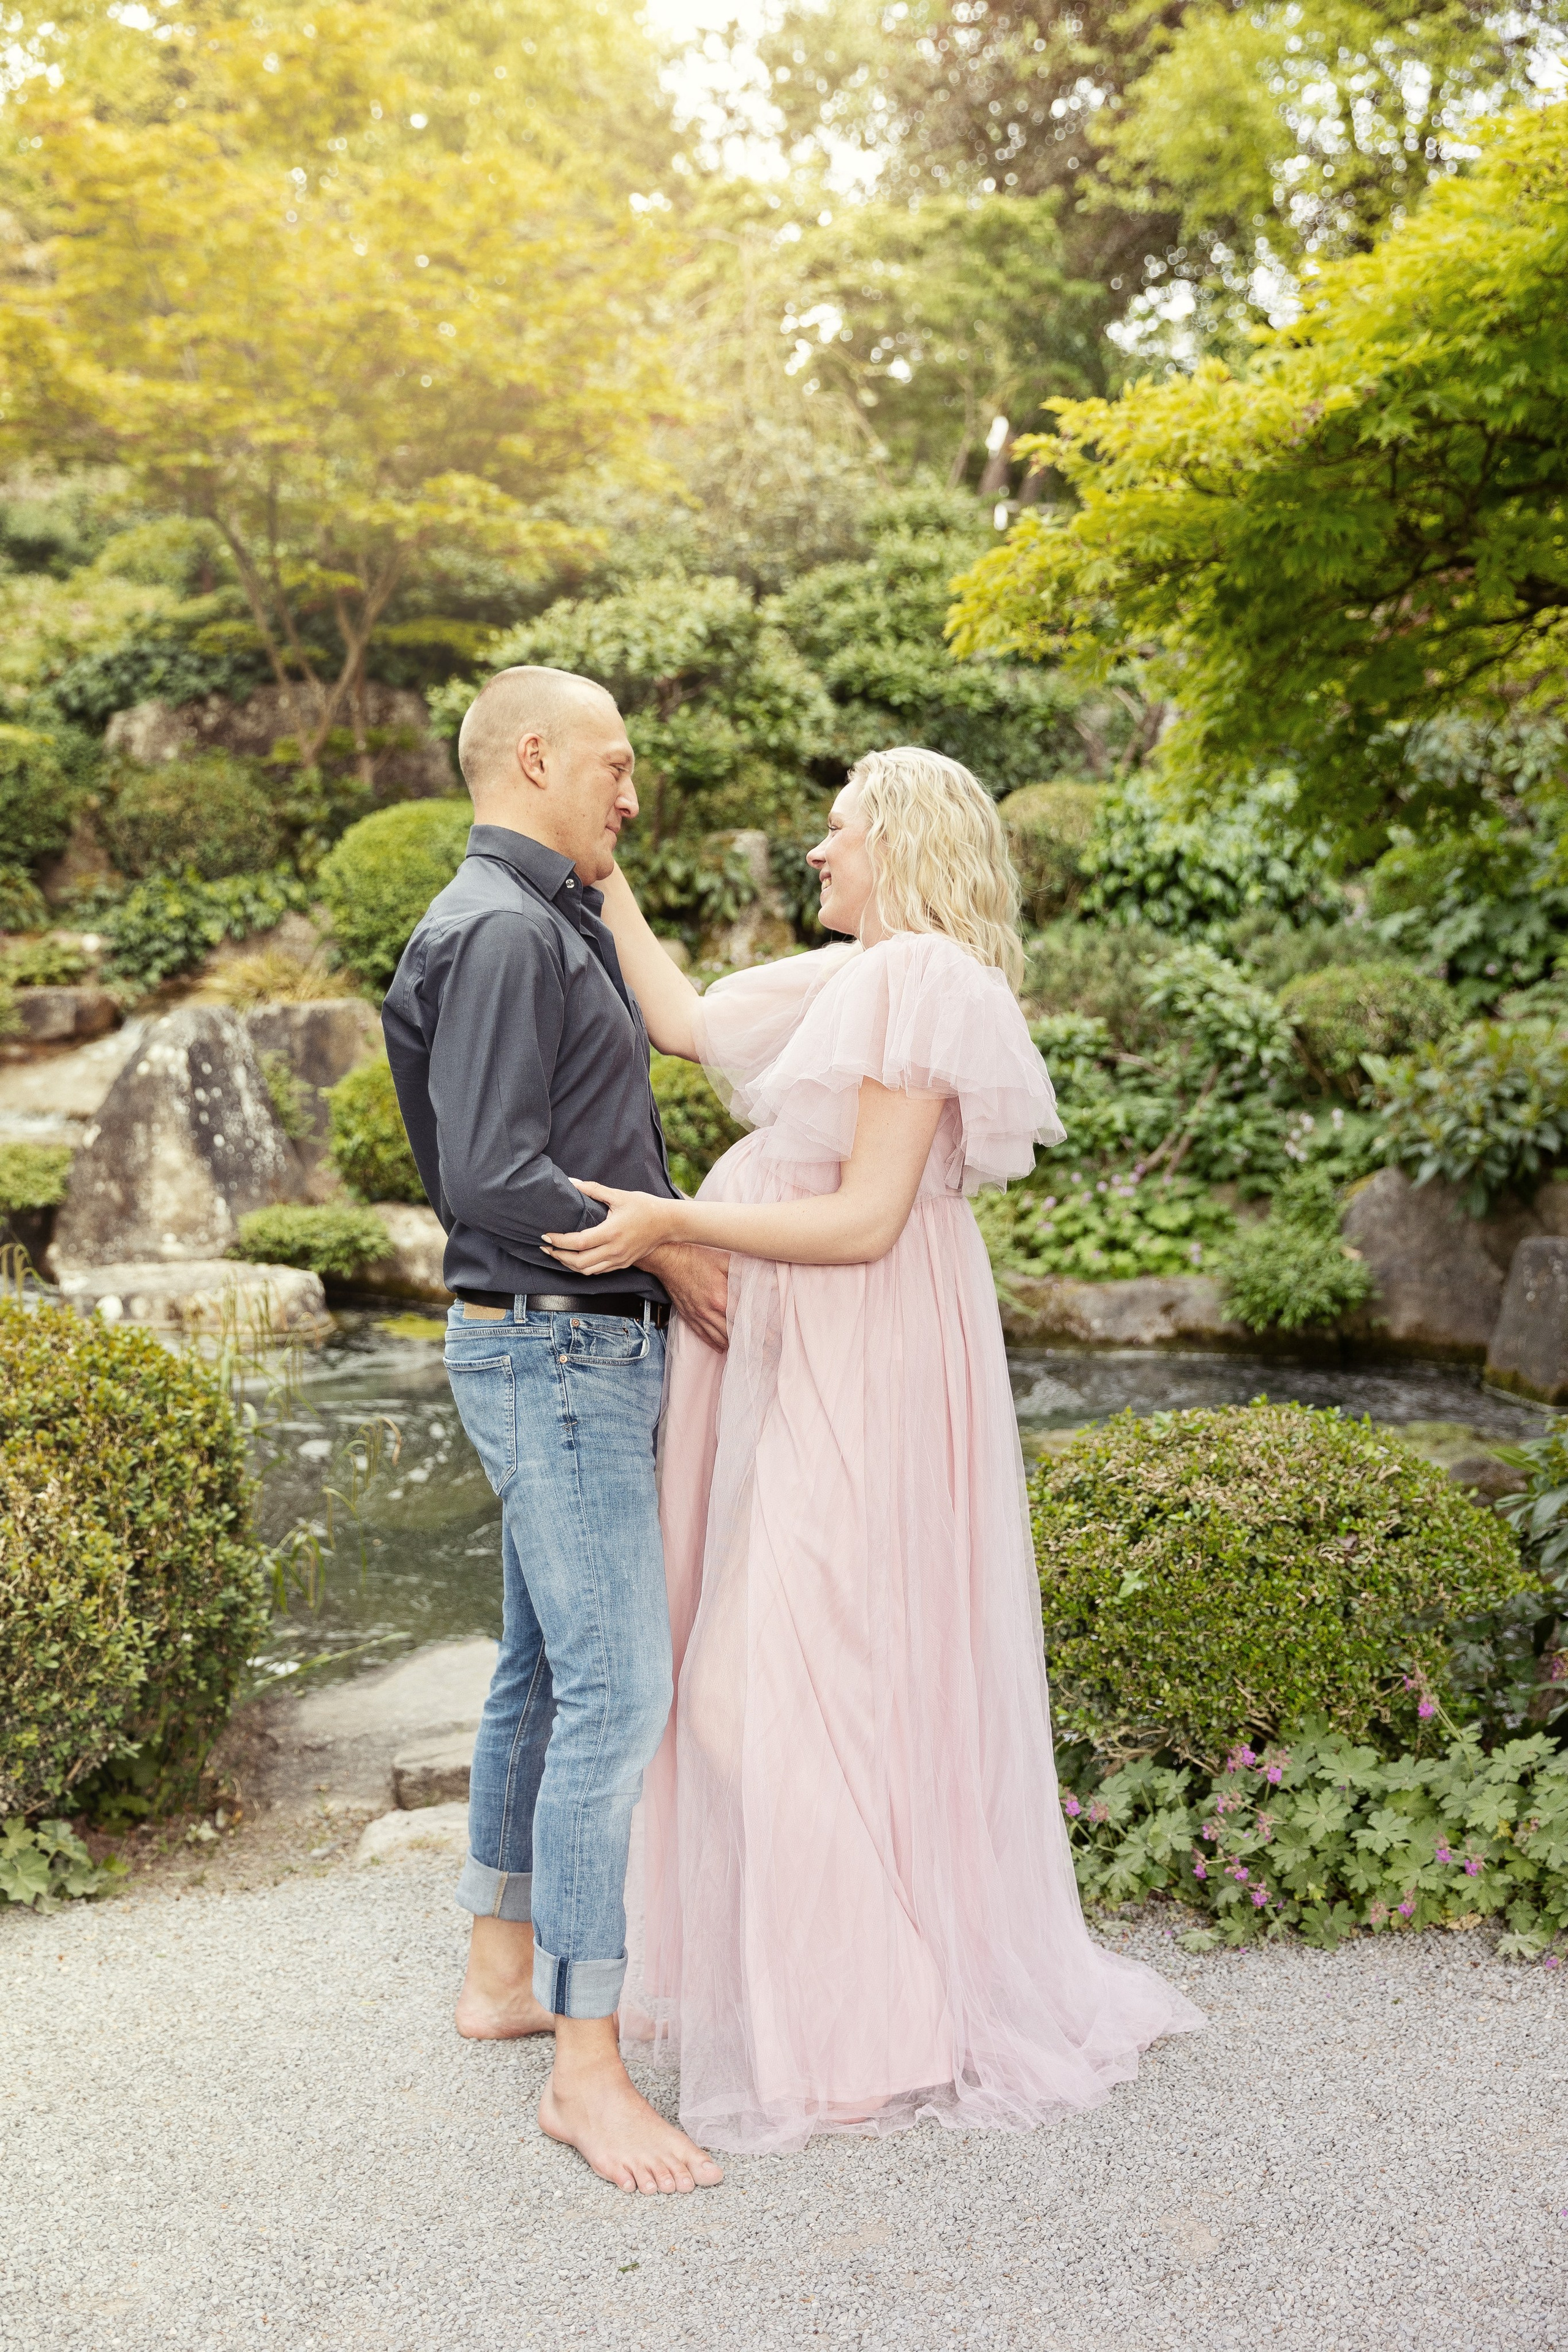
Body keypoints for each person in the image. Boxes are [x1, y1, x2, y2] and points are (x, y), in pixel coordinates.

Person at [542, 744, 1204, 2154]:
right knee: (799, 1666)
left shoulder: (921, 984)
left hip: (859, 1341)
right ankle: (850, 2001)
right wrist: (598, 876)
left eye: (836, 834)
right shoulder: (851, 978)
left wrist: (672, 1226)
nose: (815, 856)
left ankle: (879, 2010)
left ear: (897, 846)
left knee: (751, 1681)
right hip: (796, 1349)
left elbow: (862, 1222)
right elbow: (681, 1021)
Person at [382, 664, 728, 2195]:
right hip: (559, 1352)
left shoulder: (518, 913)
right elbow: (493, 1178)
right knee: (616, 1697)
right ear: (536, 757)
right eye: (615, 765)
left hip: (541, 1345)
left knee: (537, 1669)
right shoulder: (510, 927)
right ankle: (588, 2074)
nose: (631, 793)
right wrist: (667, 1244)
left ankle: (496, 1975)